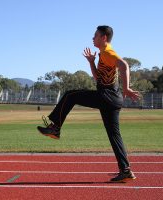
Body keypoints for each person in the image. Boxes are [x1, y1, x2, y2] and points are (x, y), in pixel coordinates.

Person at [37, 25, 140, 183]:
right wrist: (92, 62)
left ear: (103, 38)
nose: (93, 38)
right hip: (112, 99)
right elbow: (98, 79)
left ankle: (55, 127)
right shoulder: (103, 54)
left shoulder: (108, 52)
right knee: (114, 136)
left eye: (96, 35)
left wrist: (126, 87)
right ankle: (125, 170)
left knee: (70, 95)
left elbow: (124, 65)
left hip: (107, 96)